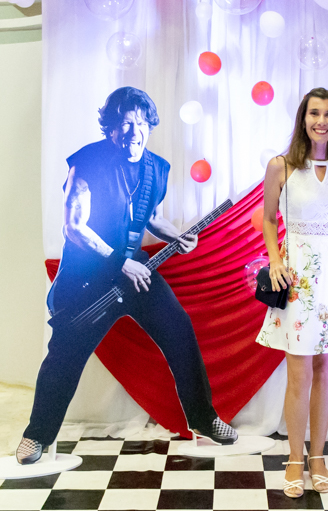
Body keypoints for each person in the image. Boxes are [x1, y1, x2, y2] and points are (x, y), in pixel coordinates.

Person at [16, 87, 237, 465]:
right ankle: (36, 435)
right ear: (110, 127)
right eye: (124, 123)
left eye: (141, 123)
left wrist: (176, 236)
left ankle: (203, 419)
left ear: (150, 125)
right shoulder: (87, 162)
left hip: (136, 271)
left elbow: (151, 217)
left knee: (180, 331)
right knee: (64, 355)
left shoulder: (156, 168)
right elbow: (74, 227)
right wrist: (119, 261)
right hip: (87, 276)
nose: (134, 132)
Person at [256, 88, 328, 497]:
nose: (322, 121)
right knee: (299, 373)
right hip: (296, 278)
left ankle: (317, 457)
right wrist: (275, 260)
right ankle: (294, 459)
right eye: (314, 113)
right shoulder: (281, 166)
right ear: (303, 119)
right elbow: (269, 219)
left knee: (326, 370)